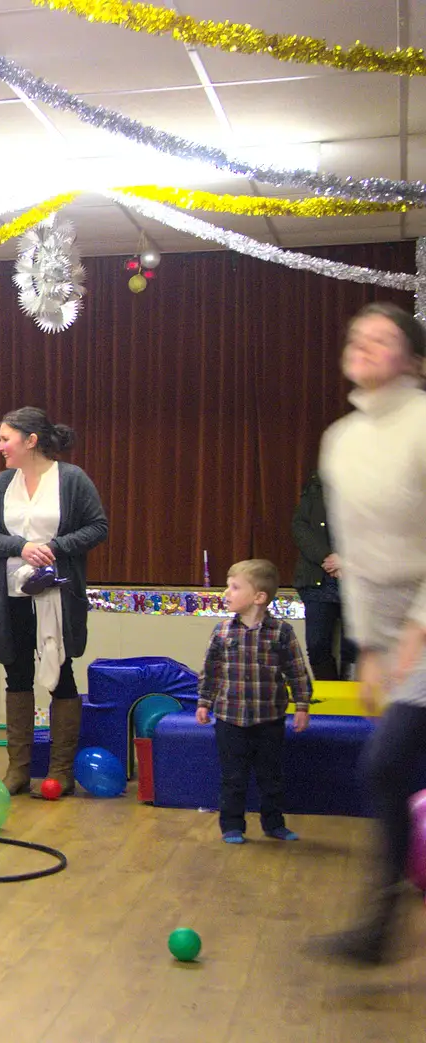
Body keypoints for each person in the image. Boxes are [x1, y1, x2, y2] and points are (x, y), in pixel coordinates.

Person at [314, 302, 426, 965]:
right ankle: (382, 924)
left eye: (382, 338)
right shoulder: (341, 440)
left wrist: (414, 630)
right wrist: (373, 648)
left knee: (386, 763)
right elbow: (355, 557)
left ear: (412, 359)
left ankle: (382, 921)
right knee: (384, 766)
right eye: (358, 333)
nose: (364, 343)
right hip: (400, 632)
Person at [0, 406, 108, 797]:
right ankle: (18, 769)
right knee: (16, 674)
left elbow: (97, 526)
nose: (0, 446)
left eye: (6, 439)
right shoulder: (2, 484)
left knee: (61, 674)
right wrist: (22, 546)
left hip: (58, 597)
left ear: (31, 440)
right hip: (13, 595)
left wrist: (54, 547)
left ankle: (60, 771)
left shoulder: (71, 479)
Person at [195, 559, 312, 844]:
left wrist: (301, 705)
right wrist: (204, 702)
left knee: (271, 776)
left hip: (268, 719)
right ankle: (232, 825)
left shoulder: (281, 632)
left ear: (259, 597)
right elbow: (210, 671)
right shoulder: (222, 631)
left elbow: (296, 670)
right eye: (227, 586)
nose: (226, 593)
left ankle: (274, 823)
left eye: (235, 587)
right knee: (233, 777)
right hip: (230, 719)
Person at [293, 473, 357, 681]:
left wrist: (347, 560)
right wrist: (327, 557)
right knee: (317, 644)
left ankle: (351, 700)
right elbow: (300, 527)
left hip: (358, 579)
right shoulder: (315, 487)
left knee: (355, 645)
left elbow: (380, 532)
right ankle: (330, 695)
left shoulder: (373, 488)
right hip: (318, 578)